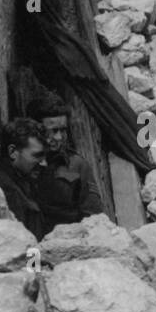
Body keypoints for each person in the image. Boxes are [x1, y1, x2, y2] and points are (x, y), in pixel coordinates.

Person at [28, 96, 105, 234]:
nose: (58, 138)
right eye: (52, 131)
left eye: (62, 130)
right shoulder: (23, 163)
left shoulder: (77, 165)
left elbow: (93, 216)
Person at [0, 117, 50, 239]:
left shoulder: (24, 180)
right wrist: (35, 259)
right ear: (12, 152)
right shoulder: (5, 190)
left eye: (45, 156)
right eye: (37, 156)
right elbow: (26, 245)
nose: (44, 163)